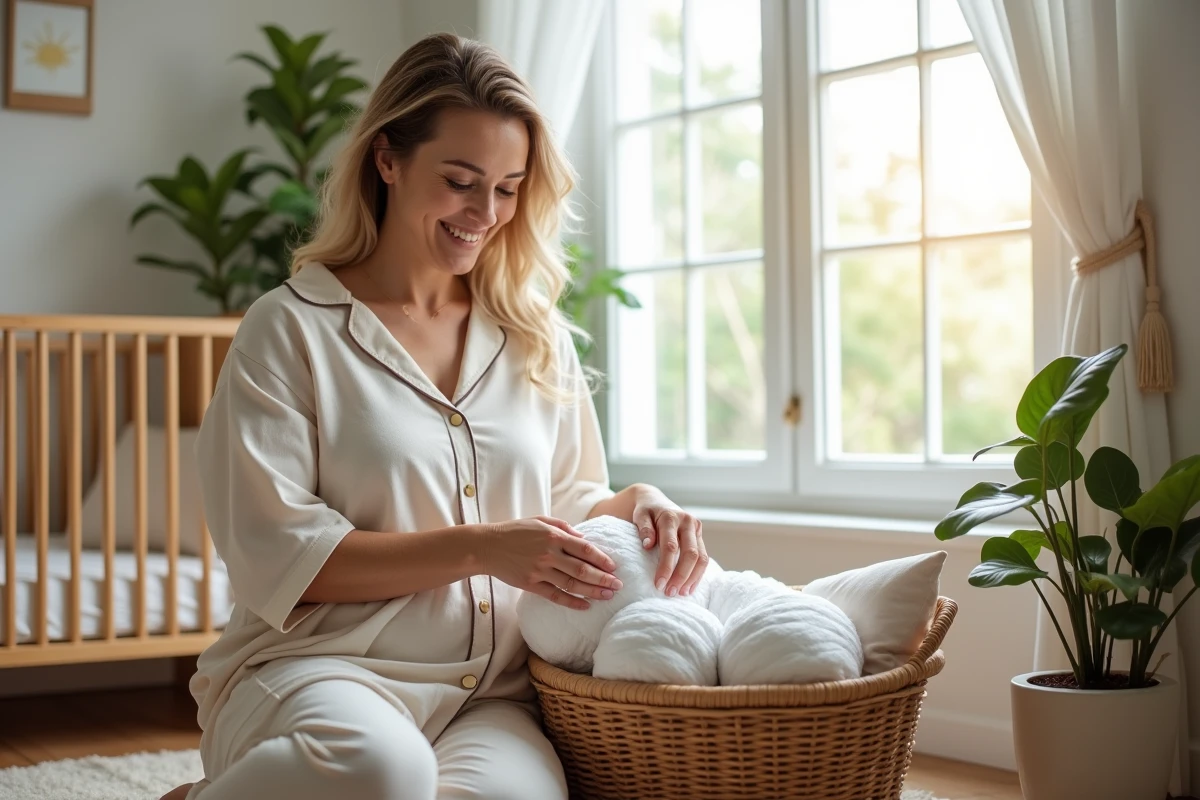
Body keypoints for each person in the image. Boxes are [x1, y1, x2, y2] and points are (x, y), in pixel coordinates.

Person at [163, 33, 708, 800]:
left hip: (487, 697)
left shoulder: (531, 333)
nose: (485, 213)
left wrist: (639, 504)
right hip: (319, 671)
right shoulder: (290, 329)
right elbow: (280, 557)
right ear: (387, 159)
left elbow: (566, 508)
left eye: (510, 188)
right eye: (460, 181)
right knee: (380, 770)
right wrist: (480, 547)